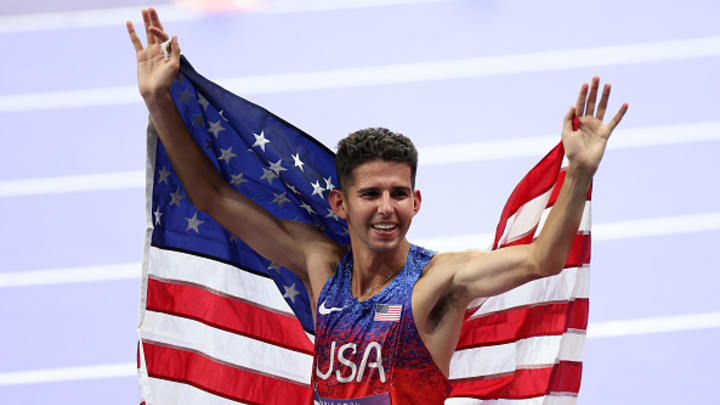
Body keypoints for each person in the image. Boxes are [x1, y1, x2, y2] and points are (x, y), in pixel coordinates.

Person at [127, 7, 628, 404]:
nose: (387, 207)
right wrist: (159, 102)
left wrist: (579, 172)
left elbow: (543, 259)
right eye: (371, 194)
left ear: (417, 201)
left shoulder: (441, 281)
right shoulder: (319, 264)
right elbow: (211, 197)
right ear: (340, 204)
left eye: (398, 193)